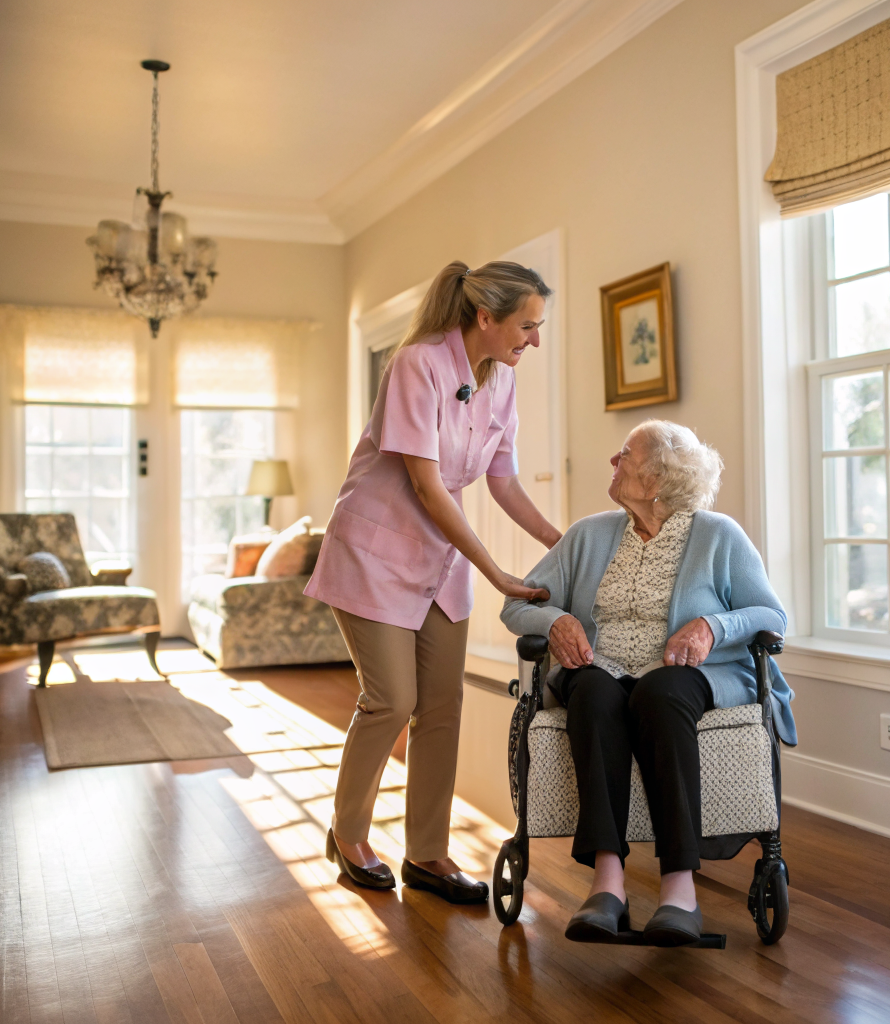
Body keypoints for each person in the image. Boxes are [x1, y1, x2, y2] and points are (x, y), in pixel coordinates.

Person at [306, 260, 562, 903]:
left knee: (442, 705)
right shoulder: (417, 365)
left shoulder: (500, 382)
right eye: (527, 325)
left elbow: (501, 480)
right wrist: (497, 571)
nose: (533, 339)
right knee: (390, 698)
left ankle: (427, 854)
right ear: (486, 316)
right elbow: (425, 482)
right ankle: (348, 833)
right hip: (376, 550)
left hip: (439, 560)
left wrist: (565, 544)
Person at [501, 420, 794, 945]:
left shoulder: (717, 535)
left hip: (687, 672)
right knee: (589, 692)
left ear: (657, 476)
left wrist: (712, 626)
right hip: (601, 666)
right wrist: (557, 622)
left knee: (660, 695)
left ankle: (679, 889)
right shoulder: (588, 535)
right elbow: (518, 603)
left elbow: (770, 614)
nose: (613, 462)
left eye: (625, 455)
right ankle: (607, 883)